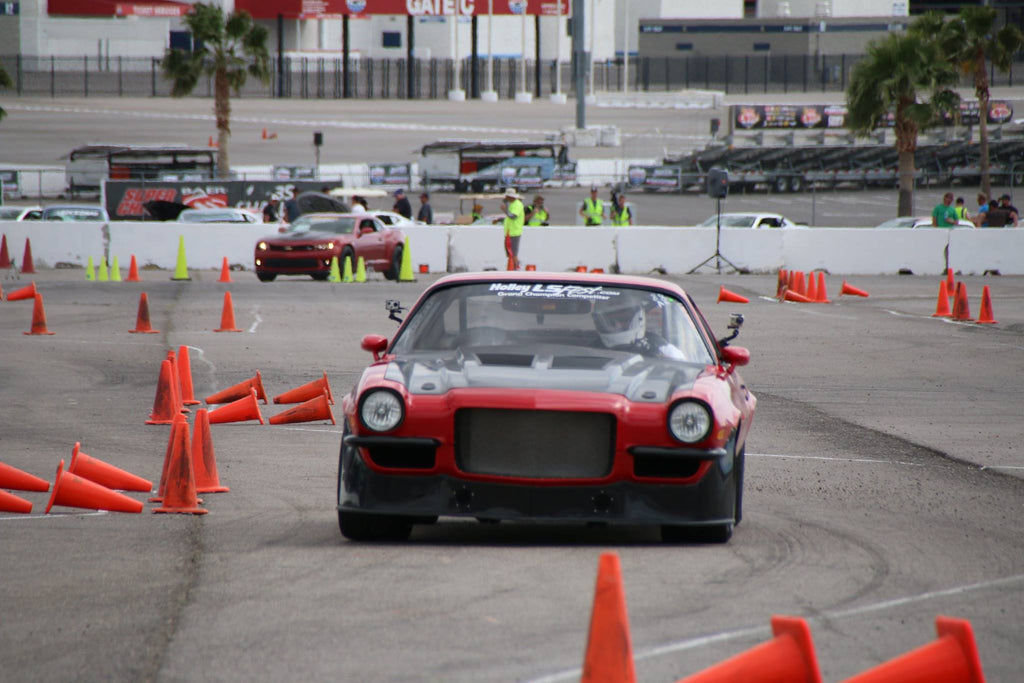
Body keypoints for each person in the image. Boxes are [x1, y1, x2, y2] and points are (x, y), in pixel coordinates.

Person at [591, 294, 684, 360]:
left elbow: (684, 371)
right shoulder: (590, 350)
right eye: (611, 322)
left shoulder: (663, 348)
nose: (618, 325)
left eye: (624, 320)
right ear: (598, 322)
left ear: (638, 319)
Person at [501, 188, 525, 270]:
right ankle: (513, 267)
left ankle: (516, 268)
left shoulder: (517, 204)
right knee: (510, 253)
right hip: (509, 232)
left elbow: (513, 216)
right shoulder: (511, 204)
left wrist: (505, 210)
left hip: (514, 232)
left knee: (513, 253)